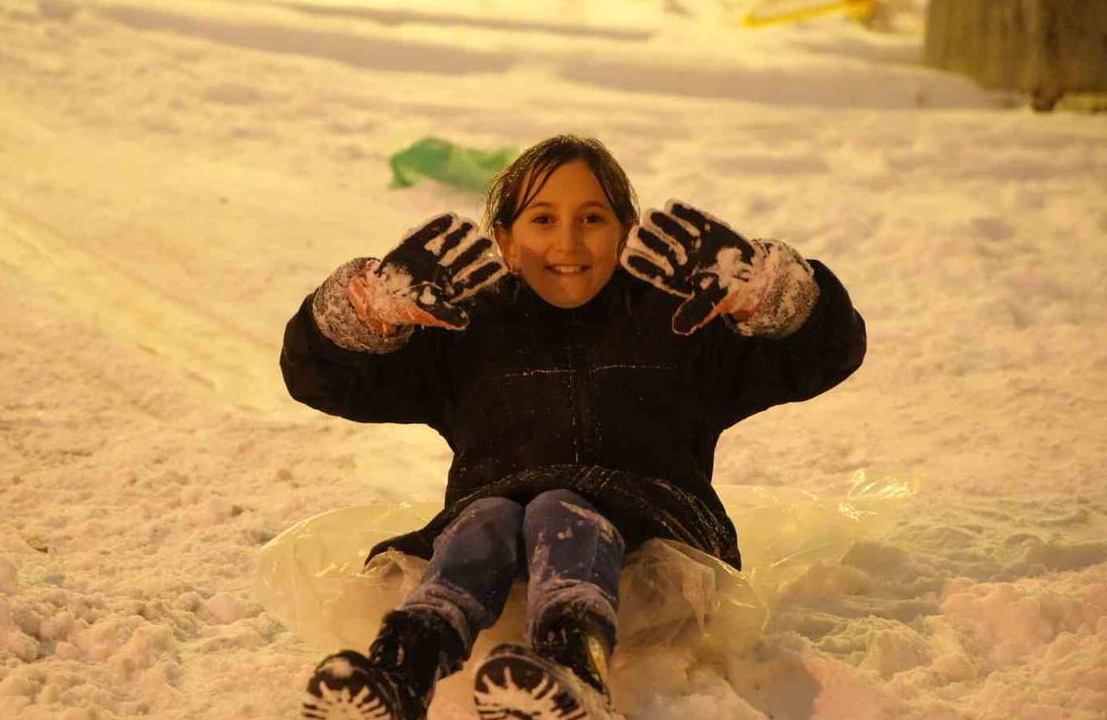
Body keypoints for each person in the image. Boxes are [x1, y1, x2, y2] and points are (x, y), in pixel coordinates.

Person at [281, 135, 866, 720]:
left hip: (656, 566)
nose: (568, 241)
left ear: (626, 231)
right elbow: (320, 377)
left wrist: (770, 295)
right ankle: (401, 670)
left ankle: (573, 667)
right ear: (506, 242)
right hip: (499, 573)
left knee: (559, 507)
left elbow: (824, 354)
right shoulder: (468, 330)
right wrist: (366, 310)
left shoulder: (678, 323)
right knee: (485, 516)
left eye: (592, 218)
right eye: (542, 219)